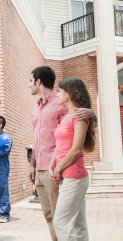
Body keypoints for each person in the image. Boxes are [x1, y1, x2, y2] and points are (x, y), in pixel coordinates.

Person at [28, 66, 96, 241]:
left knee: (63, 221)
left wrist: (92, 113)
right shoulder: (36, 108)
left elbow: (79, 118)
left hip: (62, 170)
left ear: (38, 81)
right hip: (43, 167)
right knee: (51, 218)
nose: (29, 85)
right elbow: (37, 137)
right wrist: (32, 164)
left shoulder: (61, 106)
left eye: (30, 81)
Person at [50, 77, 95, 241]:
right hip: (66, 175)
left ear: (69, 94)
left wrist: (58, 168)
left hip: (74, 176)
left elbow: (76, 150)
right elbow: (59, 145)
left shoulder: (80, 117)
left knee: (61, 222)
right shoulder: (65, 117)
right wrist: (52, 165)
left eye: (60, 91)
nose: (57, 95)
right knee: (78, 223)